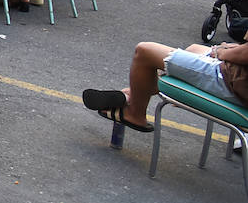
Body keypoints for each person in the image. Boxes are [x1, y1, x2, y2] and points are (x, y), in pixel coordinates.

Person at [82, 36, 248, 134]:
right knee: (193, 49)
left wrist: (222, 52)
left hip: (232, 81)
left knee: (144, 51)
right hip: (237, 79)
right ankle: (133, 92)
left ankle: (135, 113)